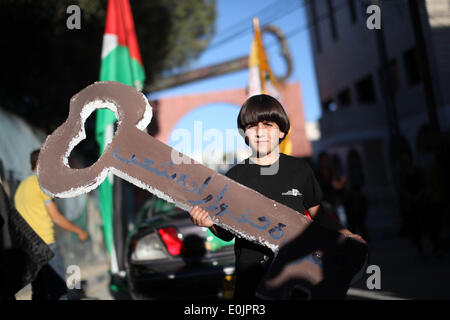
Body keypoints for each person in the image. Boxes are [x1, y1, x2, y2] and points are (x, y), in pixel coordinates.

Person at [189, 94, 365, 299]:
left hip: (297, 279)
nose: (260, 132)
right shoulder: (234, 176)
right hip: (251, 281)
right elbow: (226, 232)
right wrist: (208, 222)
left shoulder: (300, 169)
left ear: (281, 131)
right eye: (252, 125)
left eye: (268, 124)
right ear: (244, 133)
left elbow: (319, 215)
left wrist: (345, 233)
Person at [13, 149, 88, 300]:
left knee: (39, 292)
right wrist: (78, 231)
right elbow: (56, 217)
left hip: (29, 249)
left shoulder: (21, 188)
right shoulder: (41, 184)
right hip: (47, 246)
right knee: (59, 290)